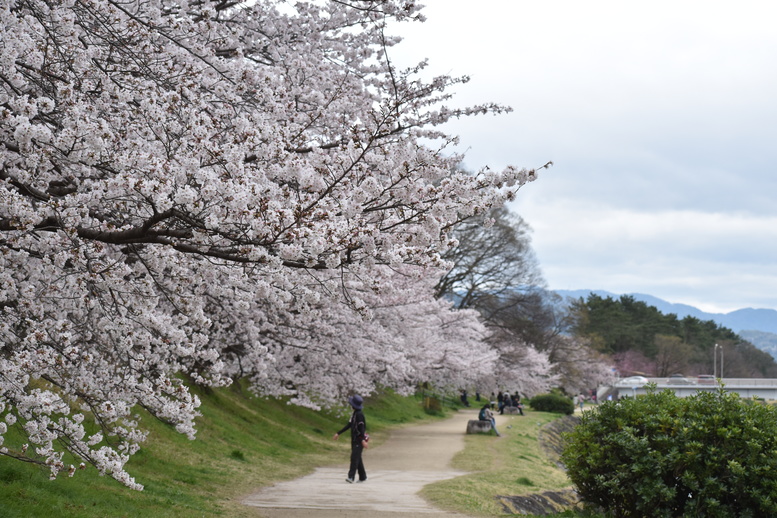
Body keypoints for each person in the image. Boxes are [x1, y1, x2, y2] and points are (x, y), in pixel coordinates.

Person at [333, 395, 369, 483]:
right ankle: (363, 476)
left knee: (354, 458)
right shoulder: (354, 414)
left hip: (358, 440)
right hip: (354, 439)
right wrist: (338, 433)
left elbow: (362, 428)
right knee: (357, 457)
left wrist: (362, 440)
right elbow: (349, 425)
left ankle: (351, 477)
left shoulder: (359, 415)